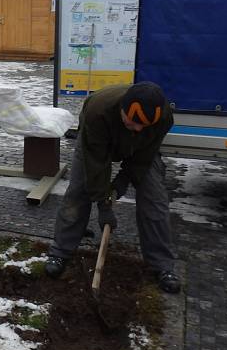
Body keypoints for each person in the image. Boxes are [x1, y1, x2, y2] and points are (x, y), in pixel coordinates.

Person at [44, 81, 182, 294]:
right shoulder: (99, 111)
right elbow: (96, 164)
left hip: (141, 150)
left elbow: (143, 159)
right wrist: (104, 205)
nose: (137, 128)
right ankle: (61, 250)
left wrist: (122, 182)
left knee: (154, 198)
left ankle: (162, 264)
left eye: (143, 126)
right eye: (133, 122)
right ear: (122, 109)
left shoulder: (163, 118)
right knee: (79, 190)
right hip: (95, 141)